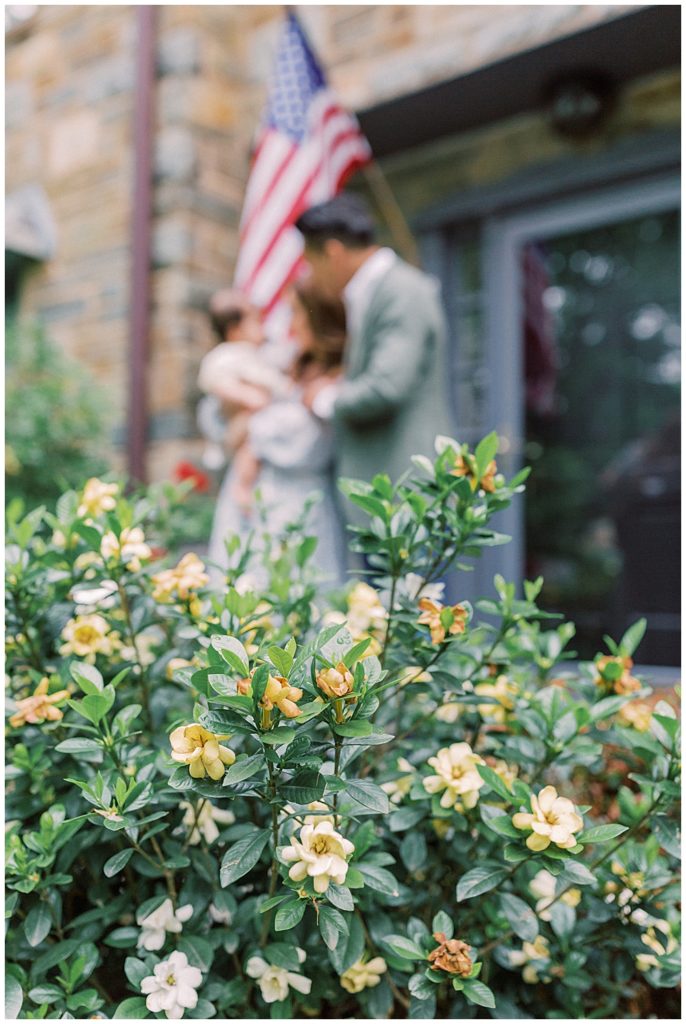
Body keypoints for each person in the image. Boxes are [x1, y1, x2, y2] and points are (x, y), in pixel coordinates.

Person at [294, 193, 452, 506]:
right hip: (388, 497)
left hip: (408, 498)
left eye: (311, 264)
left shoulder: (402, 291)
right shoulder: (373, 292)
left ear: (333, 252)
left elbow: (386, 386)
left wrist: (324, 399)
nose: (312, 276)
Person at [206, 280, 348, 586]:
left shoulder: (334, 384)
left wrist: (250, 432)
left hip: (298, 505)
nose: (290, 325)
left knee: (294, 591)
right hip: (247, 502)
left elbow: (304, 446)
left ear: (319, 318)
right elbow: (216, 411)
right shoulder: (284, 367)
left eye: (297, 313)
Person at [197, 289, 289, 473]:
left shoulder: (260, 356)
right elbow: (217, 381)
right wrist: (248, 396)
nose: (263, 327)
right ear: (234, 331)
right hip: (241, 429)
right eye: (255, 321)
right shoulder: (226, 355)